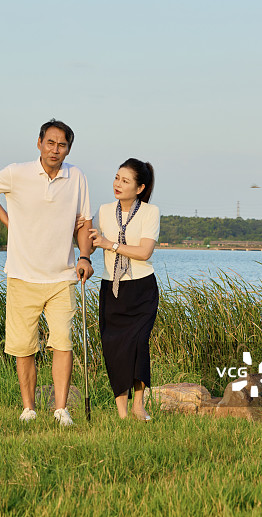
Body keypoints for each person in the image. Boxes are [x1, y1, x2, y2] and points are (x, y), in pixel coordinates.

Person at [0, 119, 94, 426]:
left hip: (63, 276)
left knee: (63, 342)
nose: (55, 150)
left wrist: (84, 256)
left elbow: (83, 223)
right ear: (39, 143)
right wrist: (7, 220)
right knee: (24, 346)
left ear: (68, 149)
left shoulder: (76, 177)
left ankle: (61, 409)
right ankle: (28, 408)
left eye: (62, 145)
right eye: (50, 143)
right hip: (22, 274)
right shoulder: (17, 173)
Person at [88, 158, 159, 420]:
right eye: (117, 177)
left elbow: (144, 251)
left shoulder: (150, 212)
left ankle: (139, 405)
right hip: (112, 288)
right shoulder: (105, 210)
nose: (118, 184)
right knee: (113, 346)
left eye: (125, 180)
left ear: (139, 188)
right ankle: (122, 411)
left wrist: (111, 244)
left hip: (142, 289)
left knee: (138, 343)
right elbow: (90, 240)